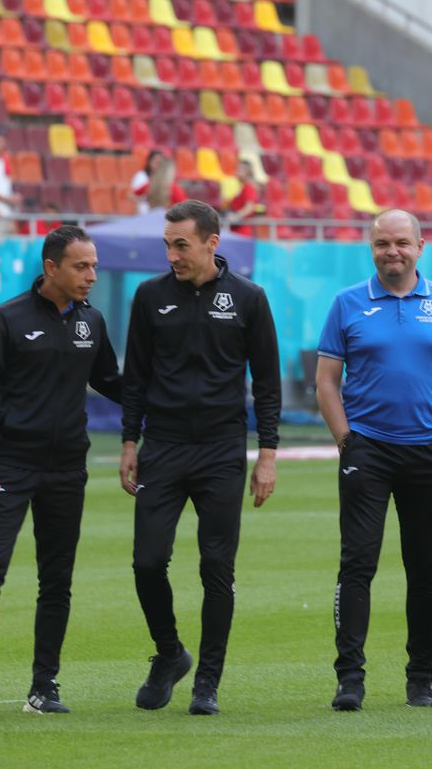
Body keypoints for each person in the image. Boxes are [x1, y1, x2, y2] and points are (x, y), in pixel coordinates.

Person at [119, 200, 281, 716]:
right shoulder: (149, 297)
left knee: (216, 567)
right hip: (162, 447)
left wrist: (268, 456)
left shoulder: (250, 299)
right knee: (147, 561)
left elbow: (269, 385)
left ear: (213, 242)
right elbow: (136, 377)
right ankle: (170, 653)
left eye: (181, 244)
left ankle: (207, 681)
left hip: (221, 450)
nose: (172, 254)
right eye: (167, 244)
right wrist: (129, 442)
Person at [0, 225, 122, 716]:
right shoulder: (6, 319)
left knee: (57, 578)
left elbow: (112, 382)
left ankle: (44, 687)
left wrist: (173, 397)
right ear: (51, 268)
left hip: (68, 468)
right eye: (81, 266)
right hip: (9, 463)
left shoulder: (92, 322)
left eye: (93, 266)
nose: (91, 275)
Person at [315, 209, 432, 711]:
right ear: (372, 247)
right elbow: (326, 380)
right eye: (383, 243)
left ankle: (421, 679)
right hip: (369, 449)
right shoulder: (347, 304)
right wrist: (347, 440)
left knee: (425, 568)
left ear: (420, 247)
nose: (393, 252)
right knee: (357, 563)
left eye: (402, 243)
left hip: (431, 451)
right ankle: (350, 680)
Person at [0, 130, 21, 236]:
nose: (1, 145)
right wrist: (7, 199)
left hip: (7, 211)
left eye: (2, 142)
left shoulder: (3, 161)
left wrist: (13, 198)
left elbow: (5, 186)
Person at [225, 159, 262, 236]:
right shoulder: (244, 187)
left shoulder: (249, 187)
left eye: (239, 170)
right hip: (238, 230)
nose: (237, 173)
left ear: (247, 172)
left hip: (243, 231)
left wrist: (236, 216)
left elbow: (249, 207)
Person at [130, 150, 165, 215]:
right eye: (155, 160)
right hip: (143, 212)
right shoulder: (141, 176)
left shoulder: (163, 179)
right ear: (149, 161)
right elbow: (133, 196)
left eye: (160, 162)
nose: (157, 163)